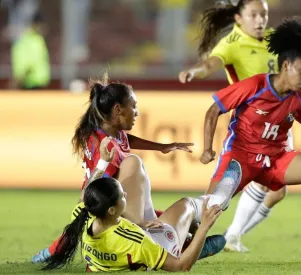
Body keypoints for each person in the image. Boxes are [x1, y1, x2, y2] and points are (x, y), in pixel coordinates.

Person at [179, 0, 301, 252]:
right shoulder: (249, 78)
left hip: (276, 156)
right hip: (241, 157)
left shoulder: (300, 93)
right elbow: (213, 99)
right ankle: (180, 240)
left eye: (264, 14)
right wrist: (207, 148)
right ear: (286, 66)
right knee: (211, 206)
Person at [32, 74, 194, 263]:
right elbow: (94, 196)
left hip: (117, 204)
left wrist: (161, 147)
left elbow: (127, 140)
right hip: (108, 209)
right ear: (118, 110)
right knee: (174, 222)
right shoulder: (106, 149)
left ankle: (176, 243)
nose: (137, 112)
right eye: (134, 106)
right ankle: (55, 250)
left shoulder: (110, 133)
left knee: (184, 222)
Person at [42, 136, 243, 272]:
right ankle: (217, 203)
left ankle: (189, 236)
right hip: (160, 247)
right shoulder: (134, 241)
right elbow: (181, 266)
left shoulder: (85, 216)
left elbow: (86, 195)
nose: (126, 194)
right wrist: (205, 227)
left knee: (132, 162)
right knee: (187, 205)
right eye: (122, 196)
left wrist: (102, 163)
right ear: (112, 210)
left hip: (126, 246)